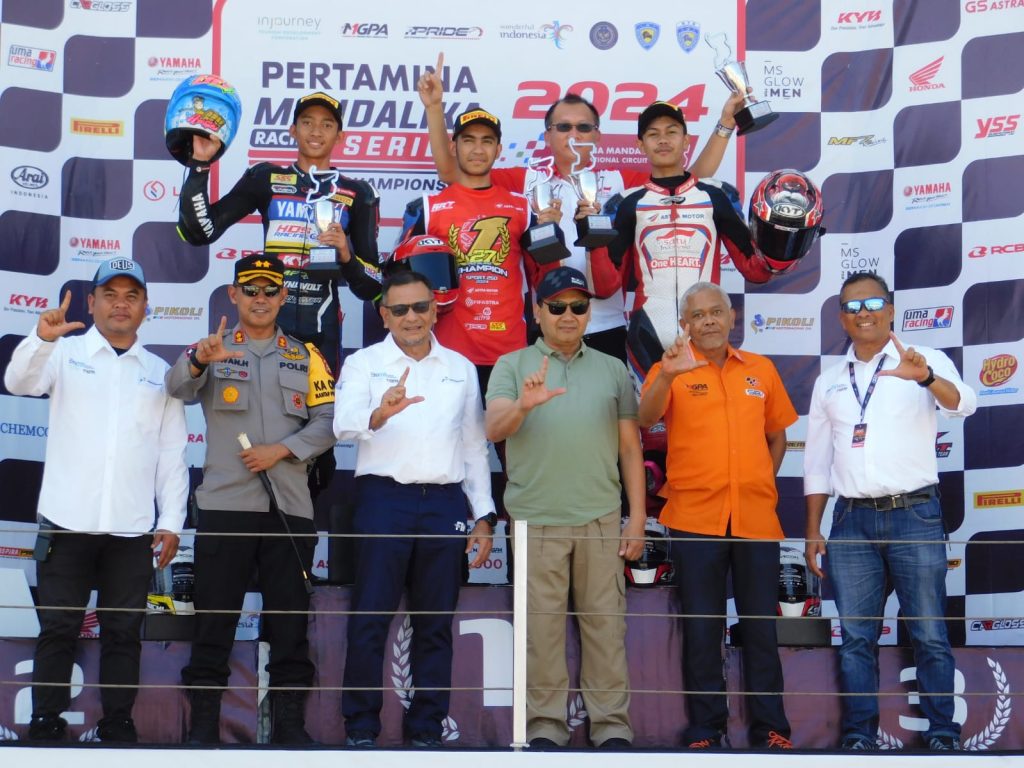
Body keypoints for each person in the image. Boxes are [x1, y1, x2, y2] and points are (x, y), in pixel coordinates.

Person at [419, 53, 746, 360]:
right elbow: (453, 174)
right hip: (548, 325)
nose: (573, 134)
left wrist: (725, 125)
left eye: (583, 127)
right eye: (563, 127)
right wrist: (434, 109)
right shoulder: (526, 180)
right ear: (547, 136)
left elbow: (692, 180)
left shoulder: (619, 181)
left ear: (597, 136)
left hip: (607, 325)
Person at [4, 259, 187, 743]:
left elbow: (172, 454)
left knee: (124, 632)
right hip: (66, 521)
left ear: (146, 307)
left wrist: (171, 520)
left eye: (131, 295)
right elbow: (18, 383)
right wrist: (41, 339)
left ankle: (118, 723)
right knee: (58, 627)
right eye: (110, 294)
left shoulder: (161, 374)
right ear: (91, 303)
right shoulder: (63, 352)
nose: (120, 304)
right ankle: (45, 722)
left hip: (131, 528)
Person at [165, 253, 337, 745]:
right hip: (225, 507)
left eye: (269, 290)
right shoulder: (213, 347)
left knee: (289, 627)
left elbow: (330, 422)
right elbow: (175, 387)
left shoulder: (307, 356)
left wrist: (281, 450)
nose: (260, 298)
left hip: (290, 510)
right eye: (251, 289)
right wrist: (200, 359)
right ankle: (203, 728)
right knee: (214, 622)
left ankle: (290, 728)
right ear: (234, 295)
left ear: (283, 296)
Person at [803, 271, 977, 751]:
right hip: (850, 522)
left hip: (914, 515)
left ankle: (943, 735)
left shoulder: (922, 359)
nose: (864, 313)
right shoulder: (829, 382)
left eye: (873, 303)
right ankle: (860, 736)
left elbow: (965, 404)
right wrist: (813, 529)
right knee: (856, 638)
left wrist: (926, 378)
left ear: (892, 310)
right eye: (852, 306)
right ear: (841, 318)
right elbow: (816, 464)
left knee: (929, 633)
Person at [485, 266, 646, 749]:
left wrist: (637, 518)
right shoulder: (511, 365)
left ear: (589, 312)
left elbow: (630, 448)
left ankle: (612, 729)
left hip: (600, 519)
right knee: (541, 634)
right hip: (535, 520)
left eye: (579, 306)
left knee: (605, 629)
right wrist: (524, 406)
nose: (569, 315)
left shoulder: (612, 369)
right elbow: (494, 429)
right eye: (557, 306)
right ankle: (544, 729)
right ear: (537, 312)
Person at [333, 270, 496, 748]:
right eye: (400, 309)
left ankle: (427, 728)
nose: (411, 317)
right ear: (384, 315)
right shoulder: (364, 363)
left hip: (445, 503)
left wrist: (484, 515)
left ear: (435, 310)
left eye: (420, 307)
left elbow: (474, 447)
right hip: (384, 499)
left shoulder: (460, 367)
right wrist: (380, 413)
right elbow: (342, 425)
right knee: (369, 619)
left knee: (436, 624)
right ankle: (361, 728)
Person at [637, 281, 796, 750]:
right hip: (694, 519)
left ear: (731, 317)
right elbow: (645, 418)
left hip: (755, 519)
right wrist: (666, 376)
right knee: (702, 627)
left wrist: (757, 483)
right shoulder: (670, 368)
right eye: (697, 315)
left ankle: (771, 728)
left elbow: (777, 435)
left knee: (760, 628)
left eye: (715, 312)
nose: (707, 320)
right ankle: (706, 728)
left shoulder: (761, 370)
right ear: (684, 324)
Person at [177, 90, 381, 375]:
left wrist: (347, 256)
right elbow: (201, 231)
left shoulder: (357, 193)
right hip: (266, 326)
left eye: (327, 124)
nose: (316, 131)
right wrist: (200, 164)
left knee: (320, 404)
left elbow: (373, 286)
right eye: (307, 122)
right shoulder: (265, 178)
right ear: (292, 131)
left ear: (340, 137)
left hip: (321, 331)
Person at [590, 101, 780, 389]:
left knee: (707, 416)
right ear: (640, 145)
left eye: (671, 132)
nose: (663, 140)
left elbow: (756, 270)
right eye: (653, 134)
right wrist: (593, 242)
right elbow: (605, 287)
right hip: (647, 335)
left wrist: (782, 243)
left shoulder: (717, 195)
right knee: (652, 418)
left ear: (686, 140)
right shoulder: (625, 203)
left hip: (706, 334)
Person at [402, 106, 553, 396]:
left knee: (507, 427)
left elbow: (545, 277)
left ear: (498, 150)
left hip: (509, 352)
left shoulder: (523, 207)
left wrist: (550, 233)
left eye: (487, 141)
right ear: (454, 147)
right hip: (447, 352)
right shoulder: (428, 208)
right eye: (469, 140)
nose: (478, 149)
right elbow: (401, 281)